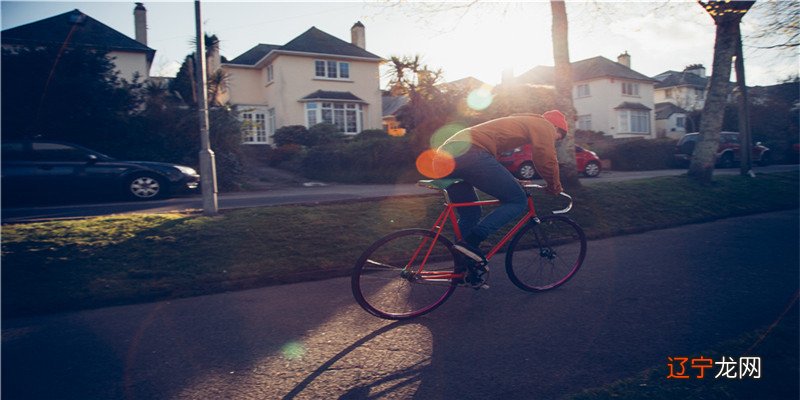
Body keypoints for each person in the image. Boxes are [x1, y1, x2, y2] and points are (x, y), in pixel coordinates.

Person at [435, 110, 568, 281]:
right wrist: (554, 185)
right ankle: (472, 241)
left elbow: (489, 161)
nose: (555, 139)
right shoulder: (545, 125)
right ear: (557, 128)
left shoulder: (522, 121)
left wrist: (512, 181)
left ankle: (463, 267)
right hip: (469, 153)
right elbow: (545, 156)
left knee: (470, 213)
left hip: (443, 156)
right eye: (559, 137)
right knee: (517, 200)